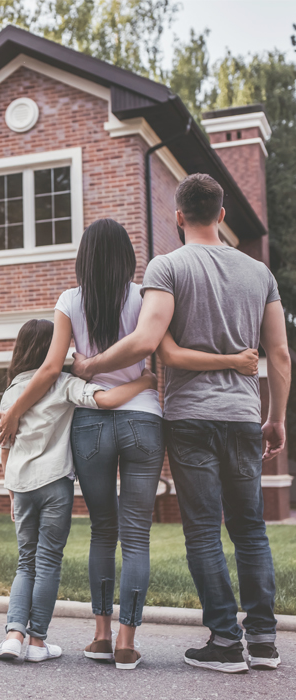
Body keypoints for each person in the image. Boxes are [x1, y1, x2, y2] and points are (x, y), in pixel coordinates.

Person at [0, 218, 259, 670]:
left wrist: (16, 409)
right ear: (128, 258)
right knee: (136, 537)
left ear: (83, 257)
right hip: (143, 420)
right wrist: (153, 378)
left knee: (103, 530)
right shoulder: (146, 296)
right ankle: (125, 642)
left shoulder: (69, 300)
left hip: (91, 425)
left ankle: (98, 636)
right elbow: (166, 350)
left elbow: (49, 370)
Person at [69, 175, 291, 673]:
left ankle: (226, 643)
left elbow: (148, 341)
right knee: (251, 531)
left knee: (205, 534)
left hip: (190, 417)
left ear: (178, 216)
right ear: (223, 214)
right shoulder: (260, 273)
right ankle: (263, 641)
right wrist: (275, 417)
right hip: (241, 416)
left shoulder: (167, 267)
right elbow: (278, 351)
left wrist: (91, 365)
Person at [0, 318, 158, 663]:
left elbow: (4, 445)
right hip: (55, 486)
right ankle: (37, 642)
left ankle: (12, 635)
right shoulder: (65, 384)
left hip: (21, 487)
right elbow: (108, 400)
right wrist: (144, 381)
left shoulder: (10, 392)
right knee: (48, 561)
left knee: (26, 562)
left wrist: (10, 492)